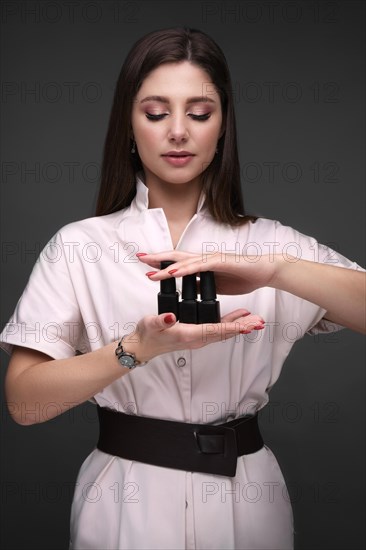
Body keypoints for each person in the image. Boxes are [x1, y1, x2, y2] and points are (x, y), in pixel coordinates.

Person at [0, 27, 364, 550]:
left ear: (222, 129)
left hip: (250, 500)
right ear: (129, 124)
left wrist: (276, 270)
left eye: (199, 113)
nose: (178, 132)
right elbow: (24, 405)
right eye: (155, 113)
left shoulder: (270, 243)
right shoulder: (79, 245)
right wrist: (137, 350)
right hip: (123, 503)